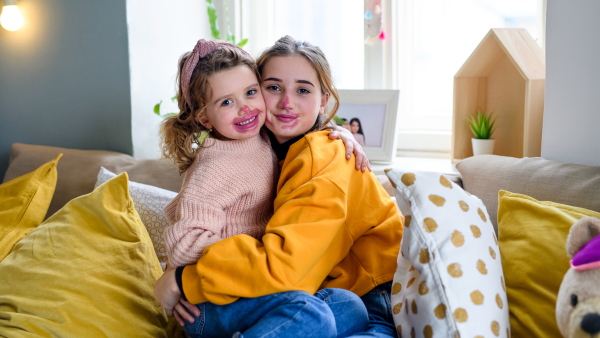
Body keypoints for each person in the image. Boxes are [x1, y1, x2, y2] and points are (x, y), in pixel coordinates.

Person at [155, 36, 403, 338]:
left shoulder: (318, 151)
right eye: (273, 87)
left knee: (346, 307)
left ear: (323, 100)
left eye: (303, 90)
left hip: (367, 291)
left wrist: (185, 279)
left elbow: (284, 268)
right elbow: (188, 236)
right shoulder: (245, 150)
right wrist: (179, 275)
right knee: (315, 313)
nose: (286, 102)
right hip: (235, 295)